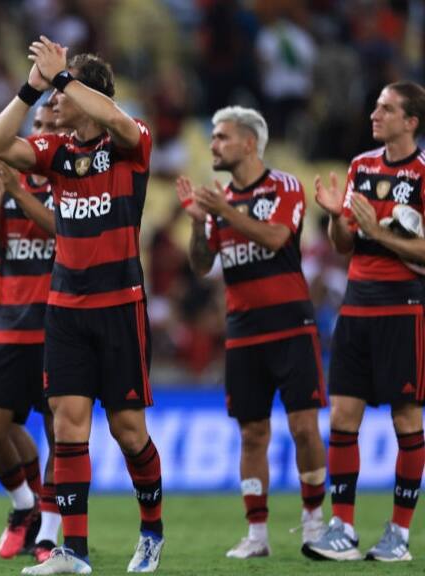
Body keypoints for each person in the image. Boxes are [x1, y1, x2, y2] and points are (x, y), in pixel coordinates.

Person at [0, 37, 164, 574]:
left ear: (89, 93)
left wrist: (63, 77)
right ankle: (73, 552)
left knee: (129, 432)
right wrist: (31, 85)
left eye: (60, 94)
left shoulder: (132, 145)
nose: (51, 105)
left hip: (119, 305)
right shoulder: (57, 154)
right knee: (68, 427)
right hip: (64, 306)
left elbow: (124, 125)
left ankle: (152, 531)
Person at [177, 106, 327, 559]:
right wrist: (197, 222)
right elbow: (203, 265)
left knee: (303, 427)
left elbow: (277, 238)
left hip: (290, 323)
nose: (213, 145)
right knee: (252, 433)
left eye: (221, 137)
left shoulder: (283, 186)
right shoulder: (218, 202)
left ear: (248, 142)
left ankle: (314, 522)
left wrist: (223, 210)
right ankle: (257, 533)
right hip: (242, 327)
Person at [304, 81, 425, 562]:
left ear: (411, 121)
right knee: (342, 417)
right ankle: (343, 528)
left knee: (406, 417)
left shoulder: (421, 173)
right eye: (375, 105)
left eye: (387, 108)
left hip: (404, 306)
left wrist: (380, 233)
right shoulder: (361, 166)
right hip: (356, 304)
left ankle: (398, 534)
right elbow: (343, 245)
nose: (375, 113)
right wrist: (337, 218)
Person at [0, 102, 61, 563]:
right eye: (38, 127)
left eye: (50, 127)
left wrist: (16, 195)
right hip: (7, 325)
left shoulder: (73, 181)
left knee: (58, 434)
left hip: (59, 327)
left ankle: (48, 535)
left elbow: (65, 232)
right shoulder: (10, 182)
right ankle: (24, 505)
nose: (41, 134)